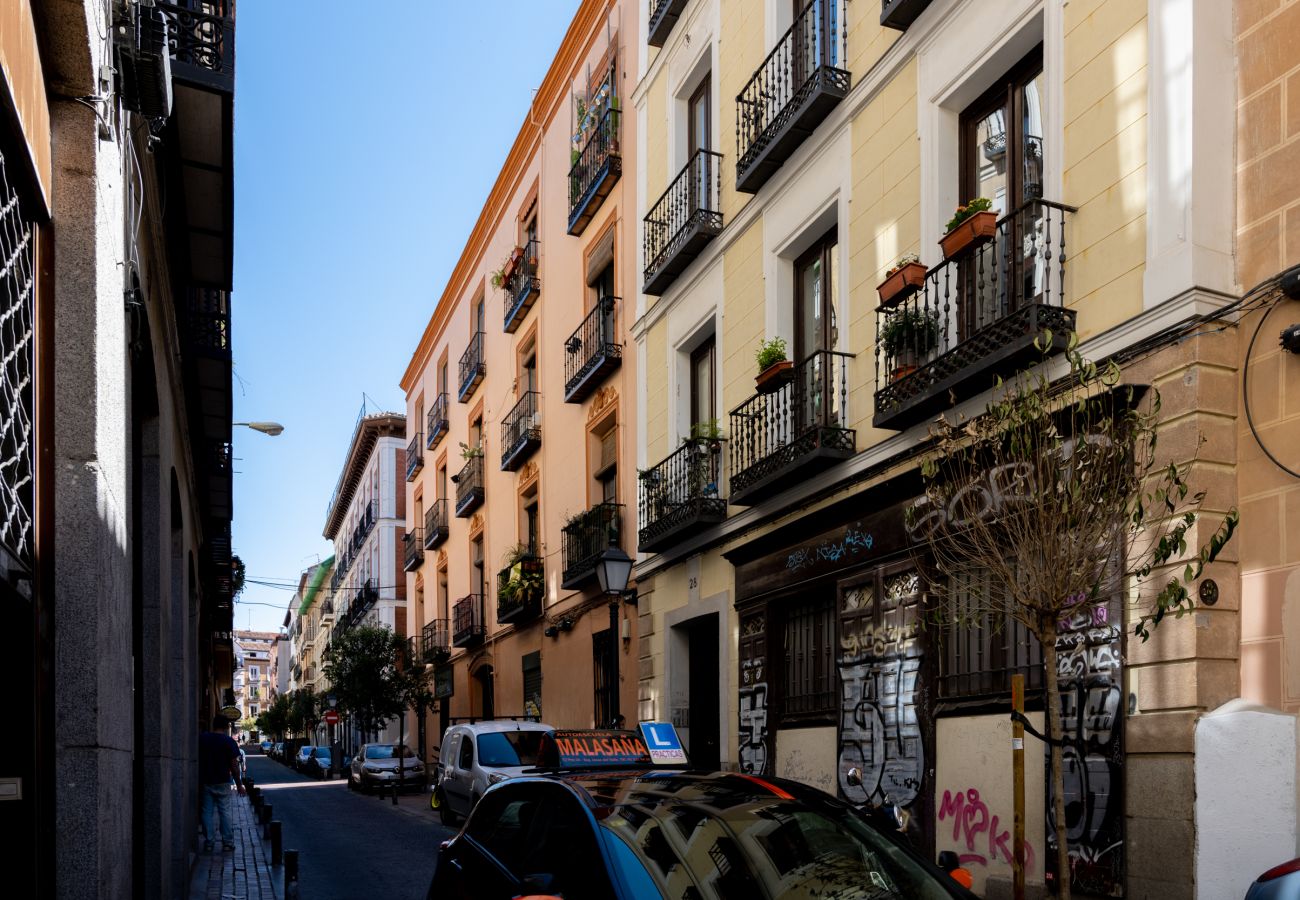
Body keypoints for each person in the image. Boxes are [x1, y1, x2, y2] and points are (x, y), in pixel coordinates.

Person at [199, 716, 246, 852]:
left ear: (213, 725)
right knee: (224, 812)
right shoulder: (229, 742)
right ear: (226, 727)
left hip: (206, 781)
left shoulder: (203, 739)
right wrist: (239, 785)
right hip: (223, 782)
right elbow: (234, 766)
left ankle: (209, 842)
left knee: (206, 812)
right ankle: (227, 843)